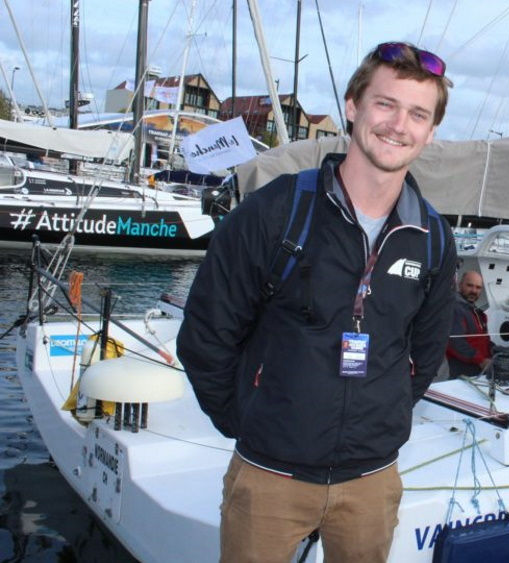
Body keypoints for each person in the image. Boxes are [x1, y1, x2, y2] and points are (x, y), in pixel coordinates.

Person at [176, 41, 457, 563]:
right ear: (353, 106)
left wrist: (384, 417)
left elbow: (424, 354)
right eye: (385, 104)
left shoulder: (433, 238)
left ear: (431, 131)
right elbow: (205, 336)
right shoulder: (276, 211)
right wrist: (249, 420)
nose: (399, 125)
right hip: (269, 479)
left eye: (418, 114)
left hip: (372, 482)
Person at [446, 271, 493, 378]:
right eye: (470, 285)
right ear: (460, 285)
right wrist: (481, 360)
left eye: (478, 287)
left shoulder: (474, 311)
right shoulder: (455, 308)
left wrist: (495, 350)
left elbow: (481, 340)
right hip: (461, 372)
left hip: (477, 371)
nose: (474, 291)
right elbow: (454, 342)